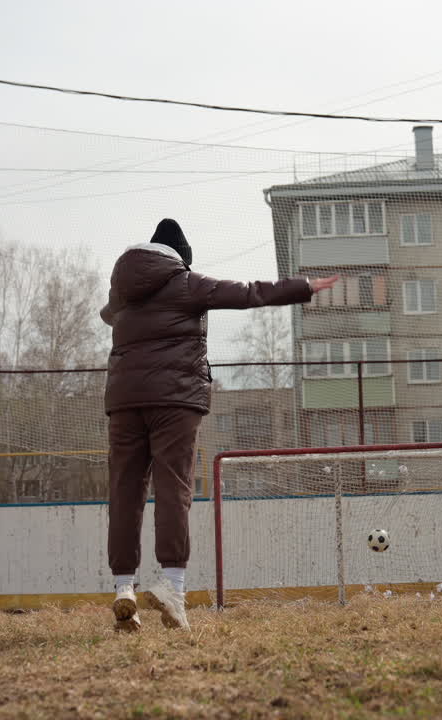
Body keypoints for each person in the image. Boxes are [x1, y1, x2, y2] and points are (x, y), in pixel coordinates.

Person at [99, 218, 338, 632]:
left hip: (124, 399)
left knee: (125, 489)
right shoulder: (186, 283)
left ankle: (124, 589)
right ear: (181, 259)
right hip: (174, 399)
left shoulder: (121, 292)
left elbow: (107, 315)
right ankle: (172, 587)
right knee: (173, 485)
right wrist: (303, 287)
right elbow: (248, 293)